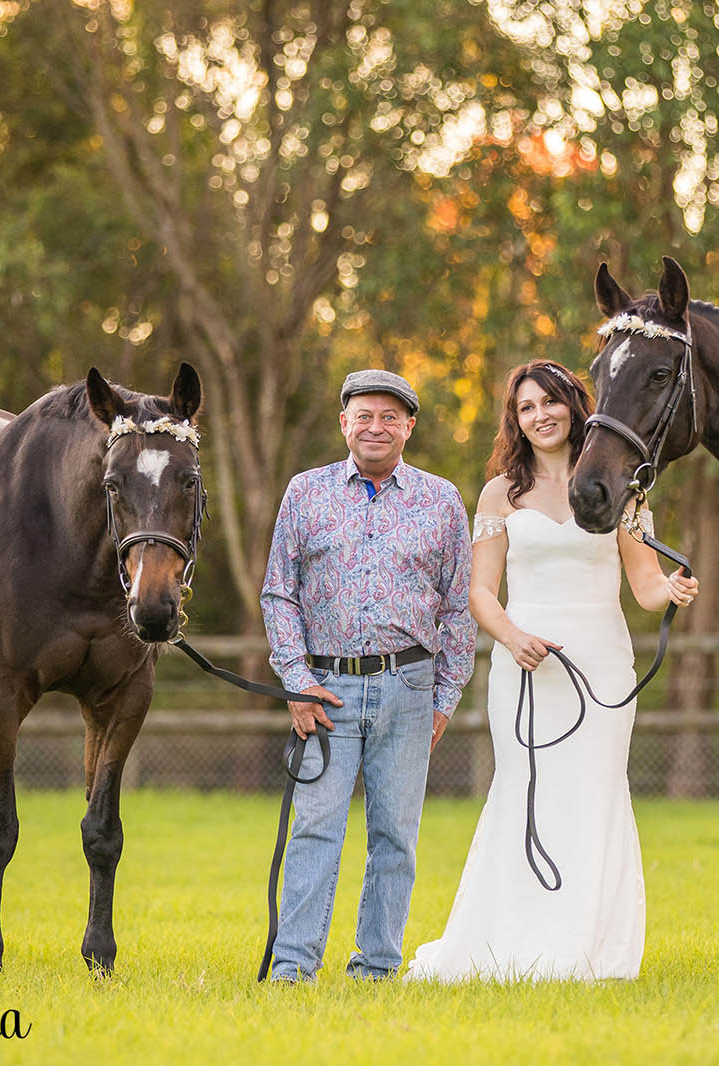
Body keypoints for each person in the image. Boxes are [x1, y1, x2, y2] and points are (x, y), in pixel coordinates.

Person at [406, 360, 699, 982]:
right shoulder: (499, 495)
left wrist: (670, 589)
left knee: (596, 791)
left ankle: (589, 946)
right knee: (525, 790)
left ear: (574, 405)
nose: (540, 415)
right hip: (526, 662)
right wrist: (513, 638)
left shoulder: (623, 487)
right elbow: (482, 592)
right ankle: (510, 937)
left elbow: (643, 585)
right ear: (515, 421)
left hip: (602, 659)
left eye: (550, 402)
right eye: (526, 408)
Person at [260, 369, 475, 982]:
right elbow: (279, 595)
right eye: (364, 415)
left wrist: (445, 698)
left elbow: (457, 608)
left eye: (389, 417)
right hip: (325, 691)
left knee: (395, 837)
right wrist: (297, 680)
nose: (375, 427)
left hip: (410, 687)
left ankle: (376, 968)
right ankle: (293, 969)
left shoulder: (441, 501)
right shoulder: (306, 493)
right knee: (315, 831)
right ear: (344, 422)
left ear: (408, 426)